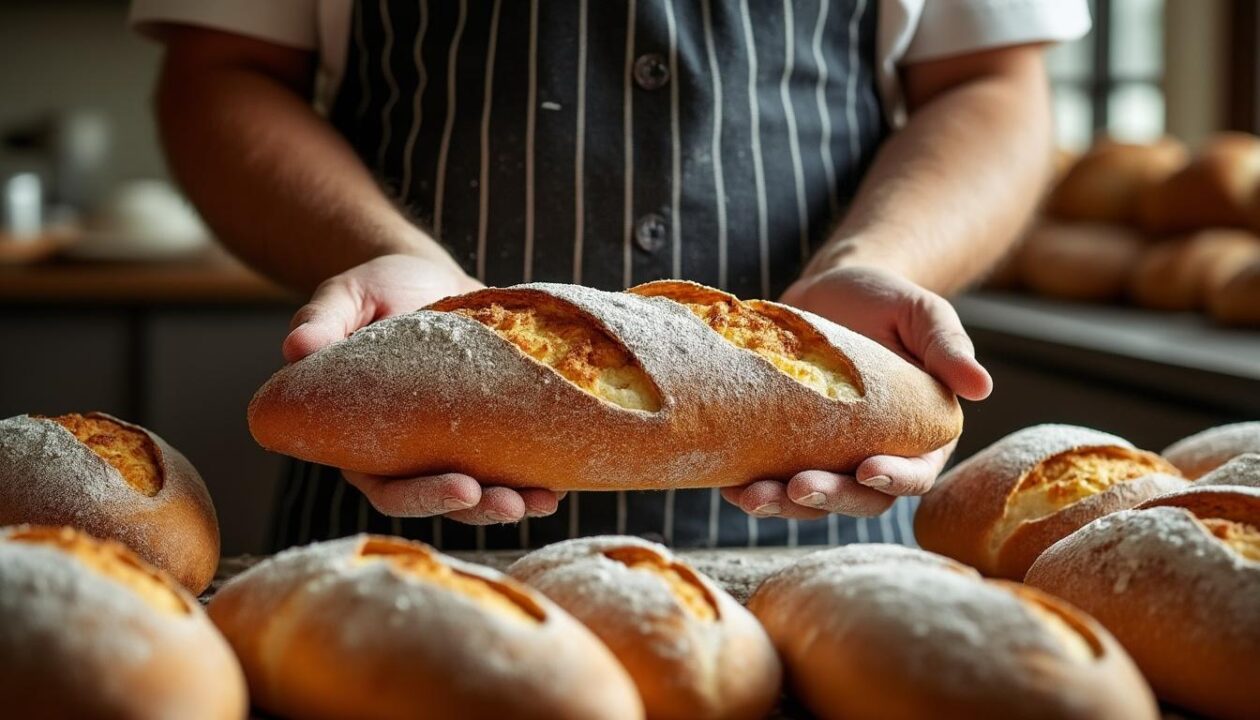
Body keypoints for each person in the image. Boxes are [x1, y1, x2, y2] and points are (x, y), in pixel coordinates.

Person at [132, 0, 1089, 550]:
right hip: (402, 526)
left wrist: (877, 263)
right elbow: (223, 69)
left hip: (821, 521)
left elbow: (990, 80)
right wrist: (378, 253)